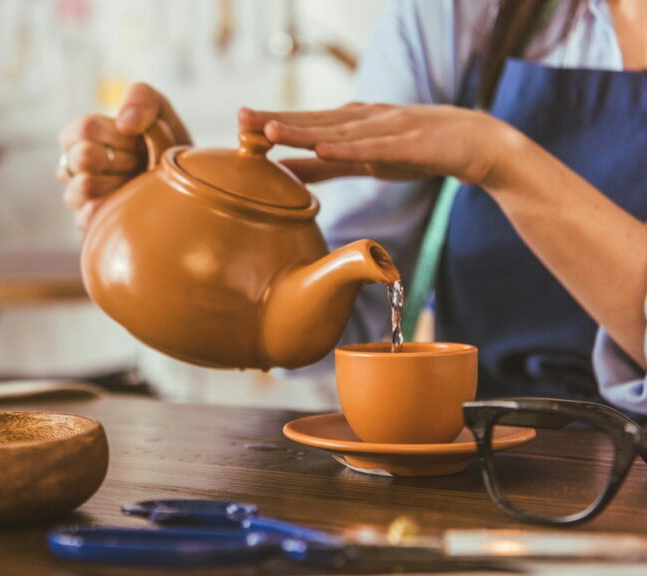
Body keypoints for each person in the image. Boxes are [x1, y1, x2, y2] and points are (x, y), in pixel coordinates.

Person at [57, 0, 647, 412]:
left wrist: (499, 159)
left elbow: (490, 154)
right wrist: (192, 234)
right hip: (485, 457)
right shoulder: (456, 15)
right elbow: (341, 328)